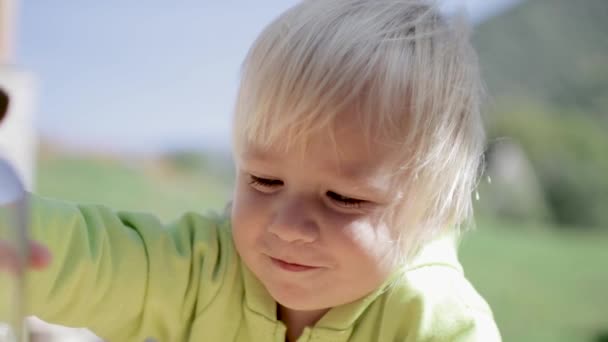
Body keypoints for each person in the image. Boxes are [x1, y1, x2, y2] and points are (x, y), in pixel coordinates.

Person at [1, 0, 501, 340]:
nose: (286, 225)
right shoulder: (203, 270)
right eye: (264, 180)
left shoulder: (439, 324)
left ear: (434, 208)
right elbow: (94, 257)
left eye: (343, 199)